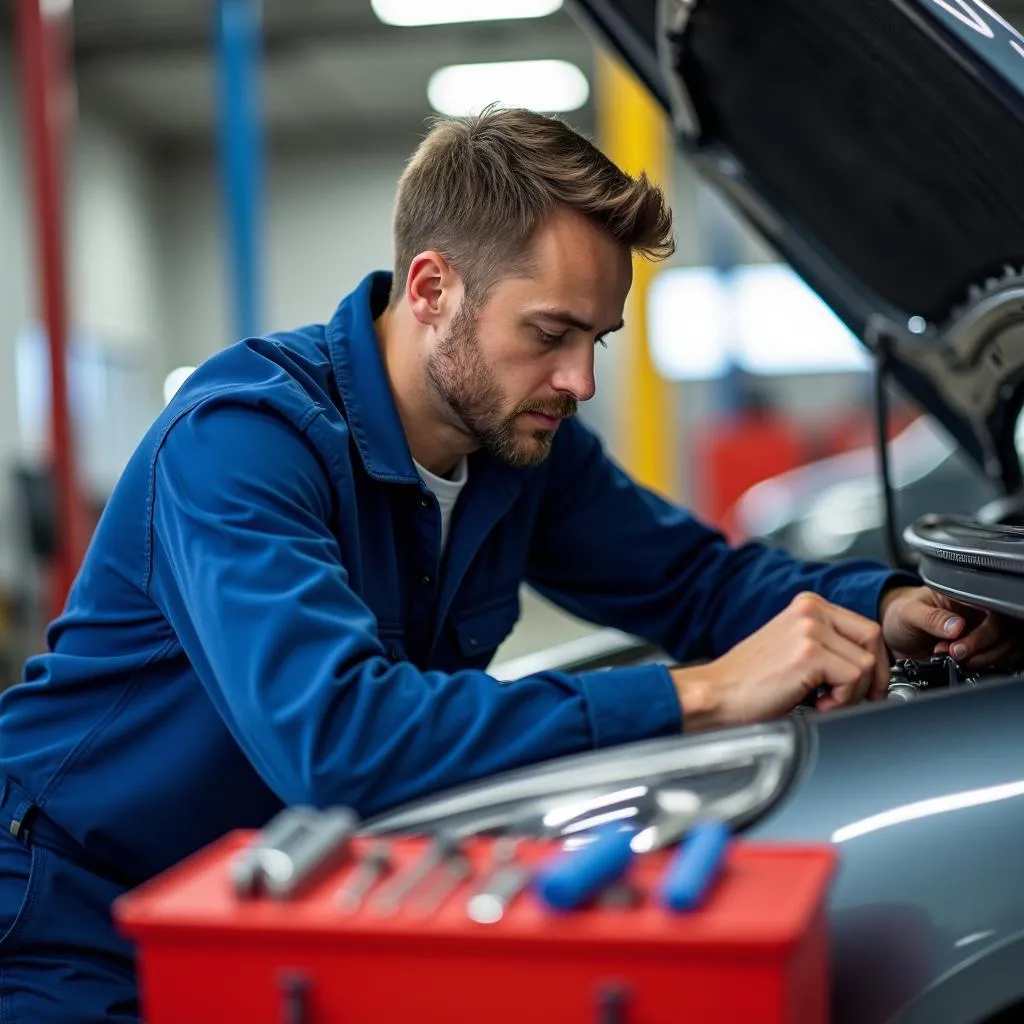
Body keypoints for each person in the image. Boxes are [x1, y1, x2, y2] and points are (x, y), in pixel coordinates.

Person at [0, 107, 1017, 1021]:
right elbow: (343, 740)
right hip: (73, 907)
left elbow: (695, 582)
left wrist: (883, 604)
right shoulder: (244, 440)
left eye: (598, 340)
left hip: (277, 888)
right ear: (433, 287)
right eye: (549, 334)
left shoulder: (519, 446)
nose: (578, 379)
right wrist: (698, 695)